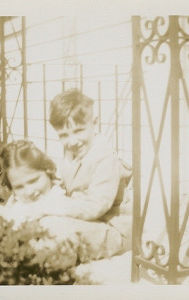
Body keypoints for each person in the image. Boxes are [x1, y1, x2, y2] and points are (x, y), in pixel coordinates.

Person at [30, 89, 133, 258]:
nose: (72, 141)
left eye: (78, 131)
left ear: (95, 123)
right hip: (91, 222)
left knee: (56, 231)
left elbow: (96, 206)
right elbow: (69, 185)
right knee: (42, 221)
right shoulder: (74, 150)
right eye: (63, 135)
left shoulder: (104, 156)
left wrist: (54, 207)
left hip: (113, 230)